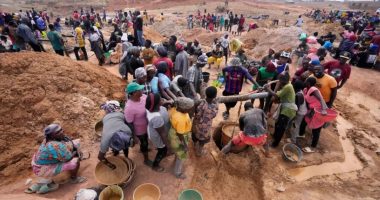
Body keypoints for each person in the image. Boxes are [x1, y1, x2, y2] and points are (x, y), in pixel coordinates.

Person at [26, 124, 85, 194]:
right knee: (75, 161)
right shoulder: (55, 146)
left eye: (61, 130)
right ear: (52, 135)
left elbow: (64, 145)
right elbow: (68, 159)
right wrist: (76, 152)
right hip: (42, 169)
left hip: (38, 163)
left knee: (75, 143)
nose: (62, 132)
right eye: (58, 132)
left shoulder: (47, 140)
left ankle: (42, 182)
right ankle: (73, 178)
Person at [264, 72, 297, 147]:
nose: (279, 81)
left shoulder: (287, 86)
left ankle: (275, 143)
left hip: (288, 110)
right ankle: (275, 137)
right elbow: (278, 96)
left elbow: (276, 95)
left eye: (280, 79)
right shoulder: (287, 85)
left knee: (281, 127)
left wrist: (268, 89)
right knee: (278, 124)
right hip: (285, 108)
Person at [98, 101, 133, 169]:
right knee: (120, 147)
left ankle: (126, 157)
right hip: (107, 119)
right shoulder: (105, 140)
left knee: (125, 147)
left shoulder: (127, 131)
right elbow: (100, 157)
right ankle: (116, 152)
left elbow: (129, 125)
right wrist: (111, 165)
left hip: (118, 115)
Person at [124, 82, 152, 166]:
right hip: (139, 130)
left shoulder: (144, 97)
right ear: (134, 93)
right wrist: (134, 136)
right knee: (144, 143)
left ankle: (142, 149)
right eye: (139, 89)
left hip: (147, 126)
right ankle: (146, 160)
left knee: (146, 141)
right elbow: (129, 123)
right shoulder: (129, 108)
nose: (142, 90)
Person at [299, 77, 329, 153]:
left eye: (305, 81)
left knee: (316, 129)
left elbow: (321, 99)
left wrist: (324, 109)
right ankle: (301, 134)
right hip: (311, 110)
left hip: (319, 111)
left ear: (308, 83)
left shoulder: (313, 89)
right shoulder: (306, 89)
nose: (304, 81)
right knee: (304, 121)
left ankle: (313, 147)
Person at [168, 97, 194, 179]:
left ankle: (176, 158)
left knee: (177, 152)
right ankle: (177, 172)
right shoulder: (181, 120)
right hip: (179, 138)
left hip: (174, 134)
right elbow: (180, 134)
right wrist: (185, 145)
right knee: (182, 155)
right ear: (183, 108)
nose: (191, 110)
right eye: (190, 108)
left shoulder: (175, 109)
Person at [145, 93, 171, 172]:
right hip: (158, 136)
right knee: (162, 150)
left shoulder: (150, 108)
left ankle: (160, 148)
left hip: (154, 130)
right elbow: (162, 134)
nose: (162, 99)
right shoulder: (157, 117)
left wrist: (166, 103)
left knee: (161, 147)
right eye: (160, 99)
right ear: (157, 103)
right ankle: (155, 165)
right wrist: (169, 147)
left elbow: (161, 105)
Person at [192, 86, 218, 156]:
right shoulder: (213, 107)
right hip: (205, 128)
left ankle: (195, 145)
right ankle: (199, 152)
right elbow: (214, 115)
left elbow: (197, 111)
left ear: (205, 94)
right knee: (202, 140)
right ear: (215, 96)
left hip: (196, 124)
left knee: (195, 135)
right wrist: (217, 104)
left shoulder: (201, 102)